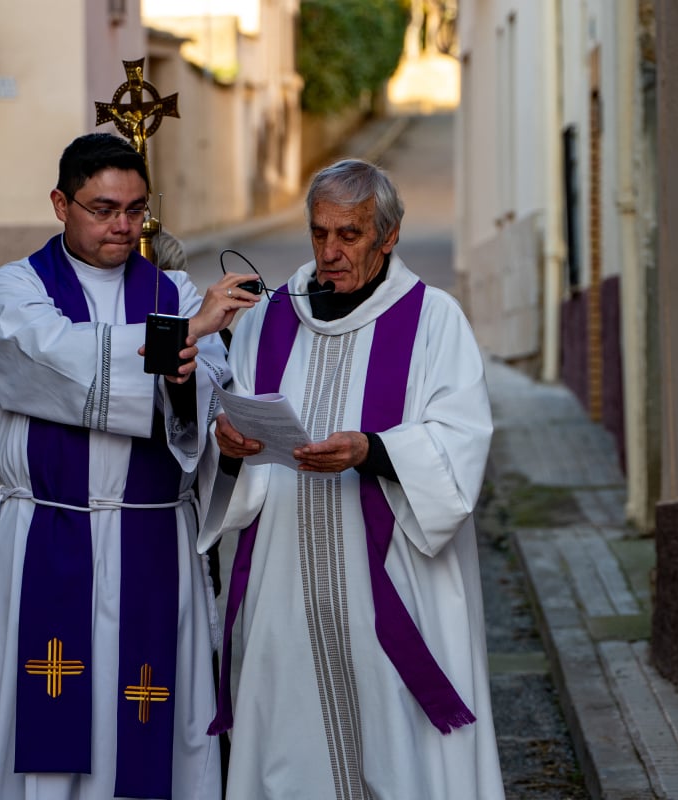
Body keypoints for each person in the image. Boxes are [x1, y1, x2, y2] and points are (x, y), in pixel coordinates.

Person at [0, 131, 258, 800]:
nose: (123, 226)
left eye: (135, 209)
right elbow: (50, 357)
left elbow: (209, 391)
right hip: (47, 535)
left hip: (152, 539)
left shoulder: (175, 290)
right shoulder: (14, 289)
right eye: (103, 209)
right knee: (46, 717)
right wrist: (185, 334)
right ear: (61, 204)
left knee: (146, 715)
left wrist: (209, 406)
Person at [200, 158, 506, 798]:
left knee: (398, 745)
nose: (329, 252)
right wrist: (229, 445)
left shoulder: (433, 320)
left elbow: (461, 441)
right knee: (290, 744)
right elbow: (237, 427)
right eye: (319, 233)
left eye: (350, 235)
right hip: (286, 580)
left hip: (397, 581)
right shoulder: (268, 319)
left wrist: (373, 451)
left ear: (388, 236)